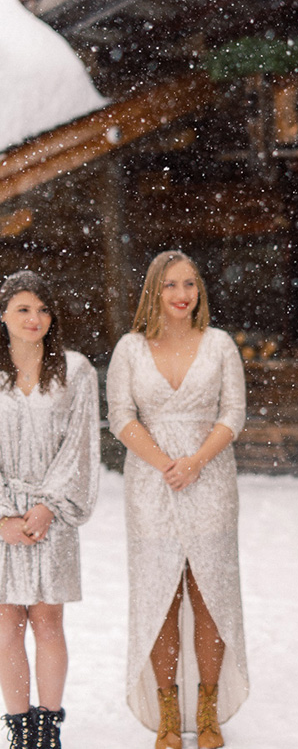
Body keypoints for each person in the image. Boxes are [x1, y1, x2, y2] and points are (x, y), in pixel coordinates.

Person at [106, 251, 248, 749]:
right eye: (171, 285)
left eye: (190, 283)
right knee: (160, 597)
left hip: (209, 480)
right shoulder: (129, 348)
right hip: (150, 483)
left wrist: (195, 461)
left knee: (209, 592)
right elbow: (121, 416)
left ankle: (207, 711)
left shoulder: (220, 345)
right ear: (154, 291)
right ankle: (169, 713)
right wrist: (164, 460)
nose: (182, 294)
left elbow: (233, 413)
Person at [0, 270, 99, 749]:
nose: (34, 318)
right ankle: (19, 730)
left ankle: (47, 729)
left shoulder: (75, 371)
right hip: (0, 522)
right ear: (3, 315)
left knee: (46, 621)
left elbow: (80, 447)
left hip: (51, 518)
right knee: (6, 626)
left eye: (42, 309)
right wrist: (2, 518)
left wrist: (46, 506)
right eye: (22, 309)